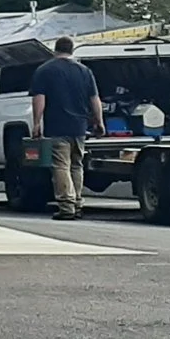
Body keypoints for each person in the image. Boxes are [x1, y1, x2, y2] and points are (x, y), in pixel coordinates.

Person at [28, 36, 105, 220]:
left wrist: (37, 123)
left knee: (61, 165)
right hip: (79, 127)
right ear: (72, 50)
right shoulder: (85, 71)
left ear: (55, 50)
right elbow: (94, 99)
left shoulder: (45, 70)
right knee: (77, 165)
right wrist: (99, 122)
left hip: (57, 125)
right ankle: (77, 202)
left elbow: (39, 98)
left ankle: (66, 206)